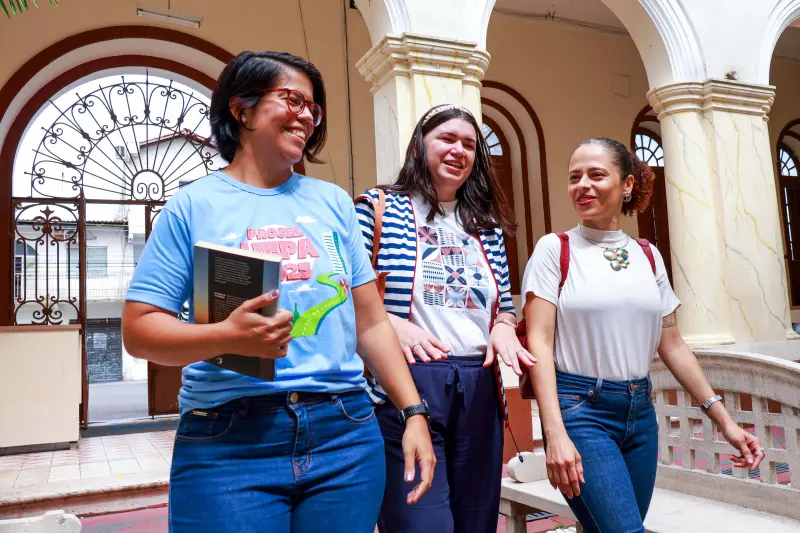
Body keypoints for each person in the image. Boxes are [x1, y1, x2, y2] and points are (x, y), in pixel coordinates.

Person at [122, 51, 434, 533]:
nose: (306, 115)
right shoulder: (191, 206)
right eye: (292, 99)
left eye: (314, 108)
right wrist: (226, 336)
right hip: (228, 438)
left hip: (344, 432)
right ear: (241, 109)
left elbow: (370, 324)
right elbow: (140, 332)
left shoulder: (332, 203)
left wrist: (413, 411)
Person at [520, 137, 766, 532]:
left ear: (627, 185)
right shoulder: (555, 249)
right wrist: (554, 435)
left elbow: (672, 344)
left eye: (596, 175)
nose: (582, 185)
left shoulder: (648, 255)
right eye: (574, 177)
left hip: (640, 412)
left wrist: (726, 422)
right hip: (580, 412)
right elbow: (540, 344)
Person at [355, 103, 536, 533]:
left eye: (470, 145)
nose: (459, 150)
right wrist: (391, 323)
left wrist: (505, 328)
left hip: (479, 387)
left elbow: (503, 308)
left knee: (475, 522)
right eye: (447, 139)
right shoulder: (377, 207)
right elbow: (341, 289)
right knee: (420, 522)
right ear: (419, 146)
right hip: (404, 383)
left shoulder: (485, 226)